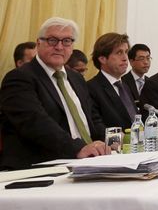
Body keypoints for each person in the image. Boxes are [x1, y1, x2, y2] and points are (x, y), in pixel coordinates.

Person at [0, 18, 109, 169]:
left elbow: (92, 117)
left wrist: (110, 143)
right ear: (39, 43)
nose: (59, 47)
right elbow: (35, 122)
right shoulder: (19, 78)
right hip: (39, 168)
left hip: (85, 162)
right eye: (52, 40)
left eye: (66, 41)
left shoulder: (76, 78)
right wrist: (78, 148)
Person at [87, 33, 139, 130]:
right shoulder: (91, 88)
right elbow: (96, 126)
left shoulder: (125, 87)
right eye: (119, 52)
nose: (125, 58)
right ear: (102, 59)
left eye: (126, 52)